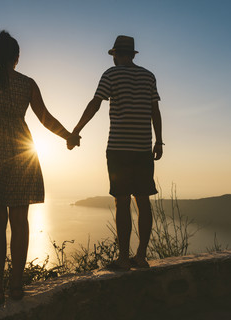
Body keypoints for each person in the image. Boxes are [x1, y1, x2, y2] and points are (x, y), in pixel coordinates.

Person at [0, 30, 79, 303]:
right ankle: (16, 286)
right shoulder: (28, 83)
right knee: (20, 222)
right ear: (17, 58)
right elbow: (44, 117)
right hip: (21, 150)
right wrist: (68, 136)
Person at [68, 35, 163, 270]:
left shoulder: (111, 75)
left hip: (119, 148)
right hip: (142, 148)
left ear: (116, 55)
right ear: (132, 54)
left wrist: (75, 131)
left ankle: (123, 259)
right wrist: (159, 141)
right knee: (143, 202)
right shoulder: (148, 76)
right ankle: (141, 257)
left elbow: (96, 103)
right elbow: (155, 110)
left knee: (122, 202)